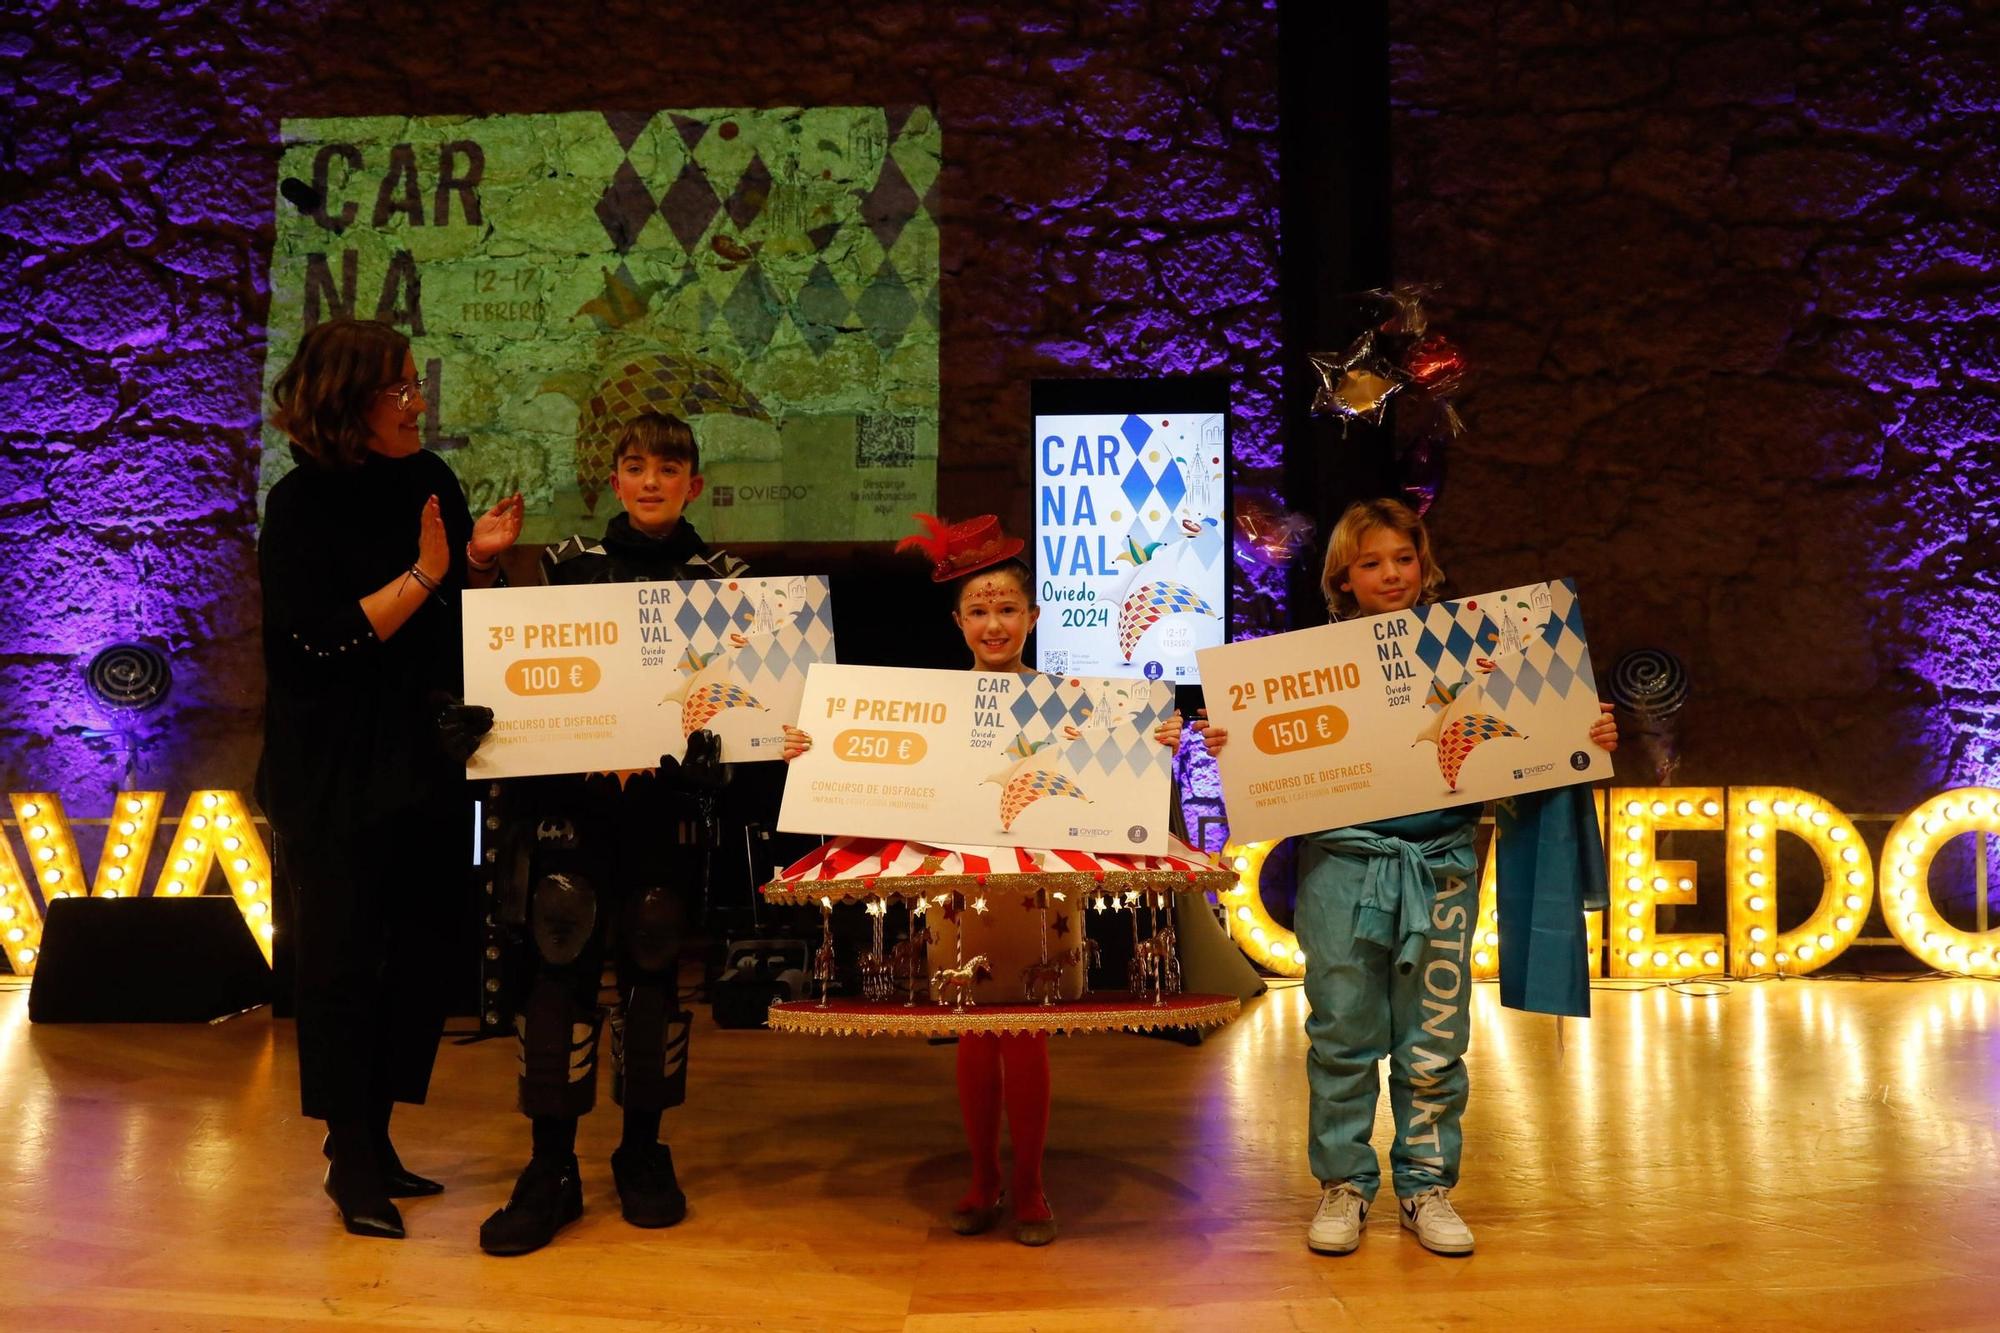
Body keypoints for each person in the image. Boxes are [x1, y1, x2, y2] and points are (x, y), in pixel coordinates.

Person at [780, 514, 1219, 1246]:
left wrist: (1158, 742)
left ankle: (1034, 1184)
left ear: (1034, 616)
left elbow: (1116, 779)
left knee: (1027, 1027)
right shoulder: (929, 711)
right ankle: (984, 1177)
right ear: (957, 621)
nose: (993, 623)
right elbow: (869, 776)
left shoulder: (1079, 707)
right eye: (979, 611)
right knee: (974, 1026)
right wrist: (816, 748)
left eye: (1007, 609)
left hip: (1039, 885)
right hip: (960, 887)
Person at [1200, 496, 1616, 1258]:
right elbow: (1264, 762)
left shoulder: (1476, 651)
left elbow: (1532, 744)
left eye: (1403, 558)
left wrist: (1581, 734)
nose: (1390, 573)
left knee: (1434, 1038)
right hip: (1342, 868)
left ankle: (1426, 1186)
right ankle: (1345, 1185)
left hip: (1443, 865)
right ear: (1343, 578)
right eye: (1371, 562)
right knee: (1341, 1032)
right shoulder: (1301, 668)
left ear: (1424, 566)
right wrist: (1231, 742)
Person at [258, 316, 523, 1240]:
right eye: (401, 389)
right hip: (334, 768)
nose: (418, 403)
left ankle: (376, 1134)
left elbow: (450, 618)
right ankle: (348, 1152)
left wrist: (478, 564)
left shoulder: (430, 481)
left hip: (422, 760)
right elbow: (315, 641)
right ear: (347, 400)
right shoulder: (297, 507)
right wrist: (425, 572)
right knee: (341, 963)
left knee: (419, 957)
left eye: (418, 385)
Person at [478, 412, 744, 1256]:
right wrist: (482, 570)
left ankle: (642, 1152)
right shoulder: (566, 569)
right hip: (572, 806)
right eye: (636, 466)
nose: (653, 480)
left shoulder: (725, 579)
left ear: (694, 484)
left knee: (655, 955)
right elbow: (512, 669)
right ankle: (550, 1167)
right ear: (616, 481)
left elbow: (747, 703)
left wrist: (721, 757)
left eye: (670, 467)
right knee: (559, 948)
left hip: (661, 810)